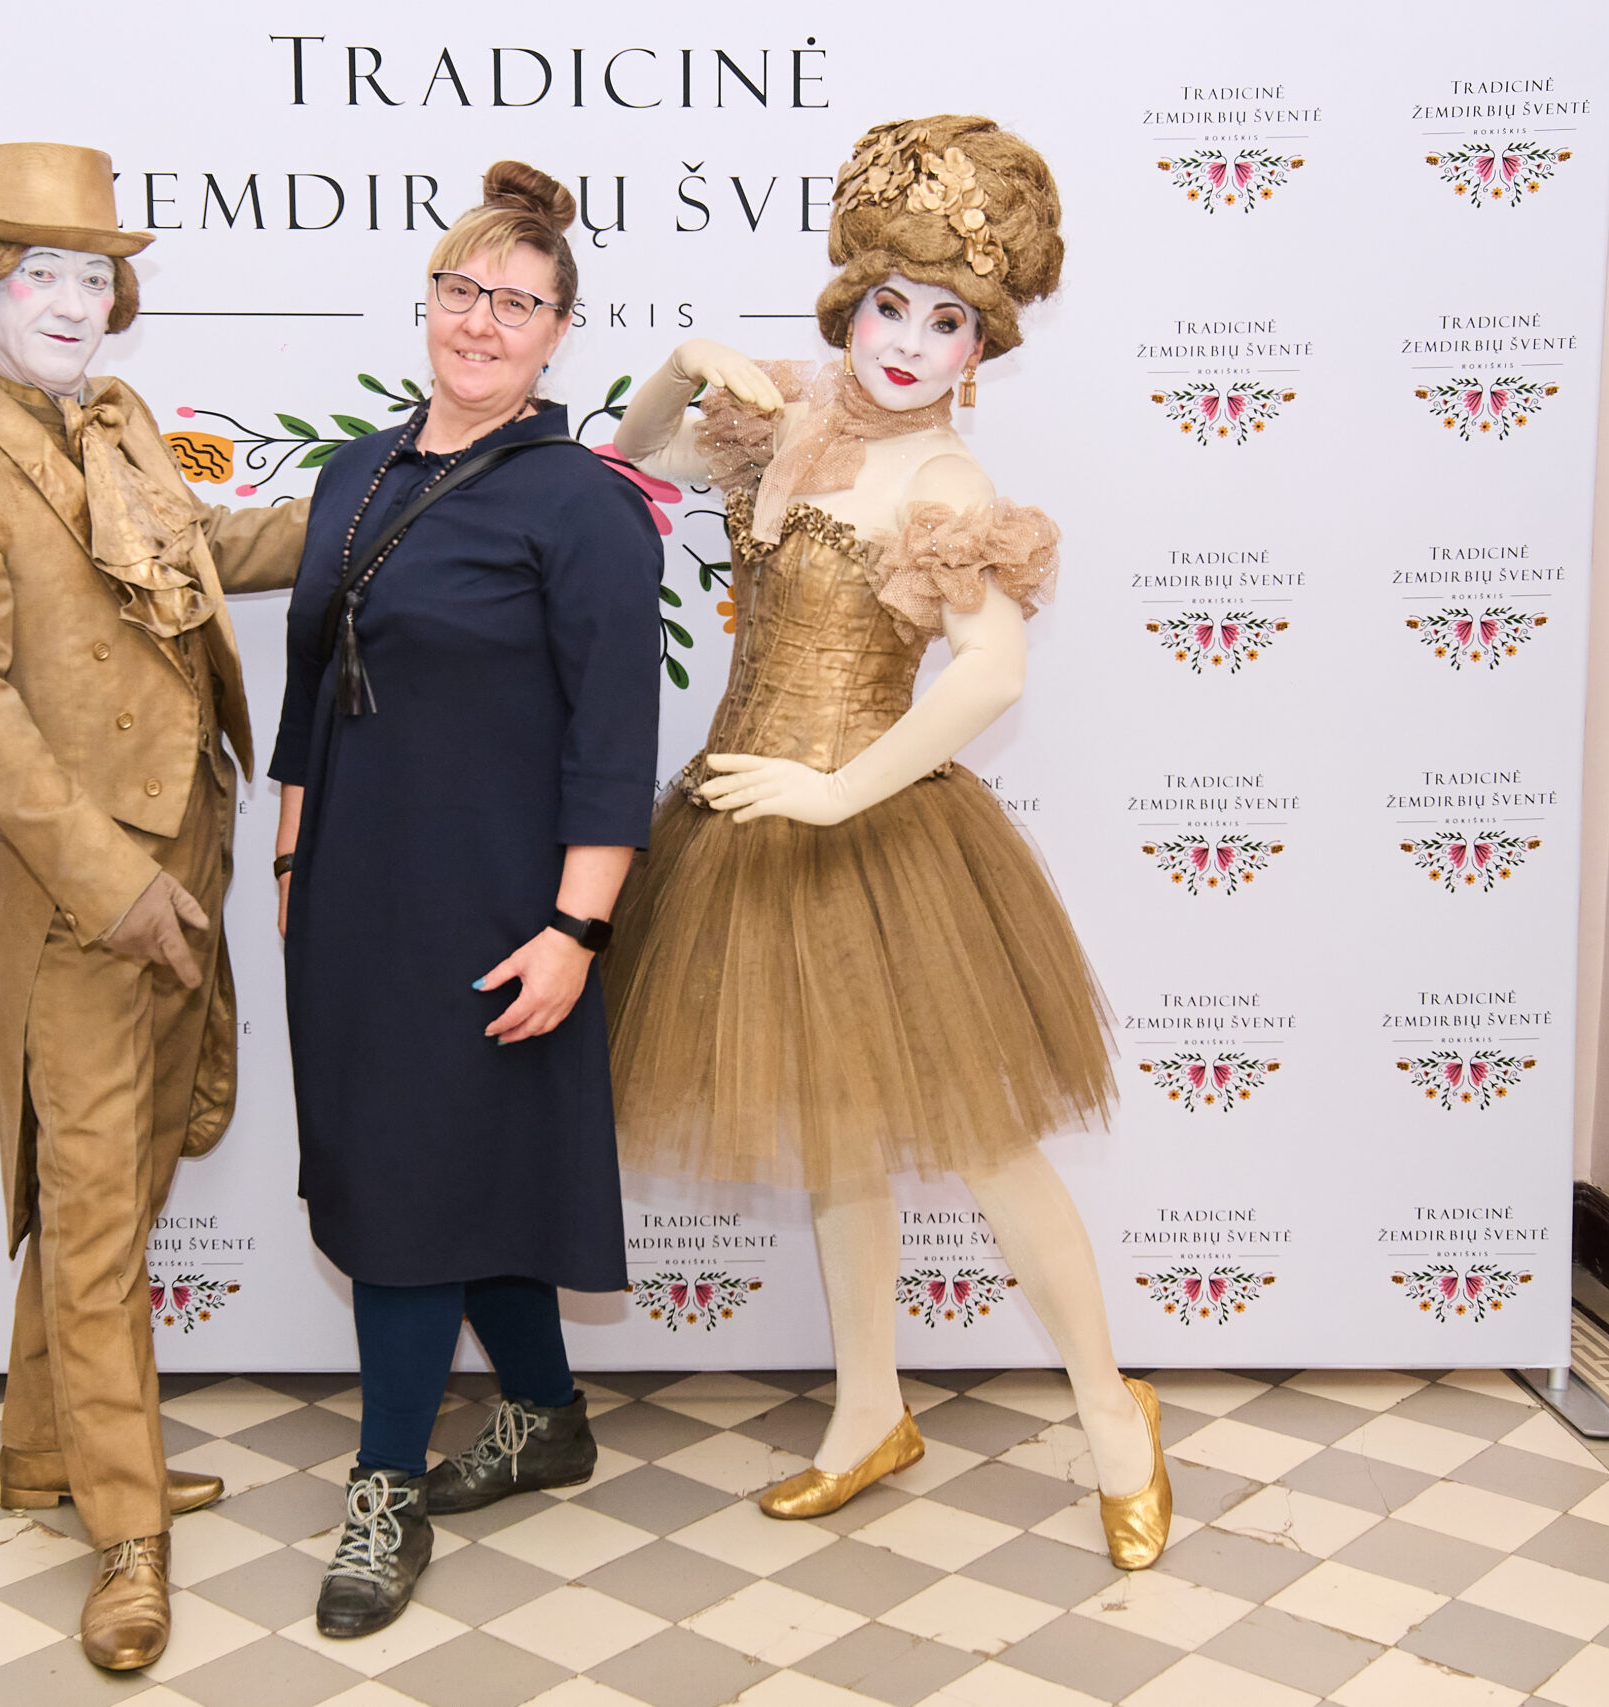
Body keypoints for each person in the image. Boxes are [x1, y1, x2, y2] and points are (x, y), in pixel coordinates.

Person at [605, 116, 1171, 1570]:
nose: (912, 344)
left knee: (987, 1144)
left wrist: (836, 795)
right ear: (848, 307)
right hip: (745, 814)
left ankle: (1113, 1415)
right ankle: (868, 1411)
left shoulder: (948, 488)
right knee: (835, 1135)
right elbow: (633, 454)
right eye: (891, 309)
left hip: (869, 830)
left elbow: (992, 677)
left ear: (982, 347)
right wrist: (684, 360)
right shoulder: (790, 413)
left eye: (948, 322)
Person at [0, 142, 309, 1670]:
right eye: (37, 276)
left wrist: (372, 498)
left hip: (190, 845)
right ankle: (127, 1537)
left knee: (117, 1174)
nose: (70, 301)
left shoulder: (113, 425)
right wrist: (111, 880)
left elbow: (204, 554)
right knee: (99, 1206)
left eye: (90, 276)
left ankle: (41, 1449)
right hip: (83, 894)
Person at [270, 160, 662, 1638]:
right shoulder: (352, 473)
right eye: (462, 290)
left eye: (518, 301)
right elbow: (311, 686)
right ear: (426, 300)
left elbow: (614, 740)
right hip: (353, 890)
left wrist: (576, 931)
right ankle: (546, 1415)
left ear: (559, 331)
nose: (482, 321)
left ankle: (385, 1486)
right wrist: (293, 856)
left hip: (501, 904)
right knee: (446, 1167)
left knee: (414, 1187)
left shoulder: (586, 504)